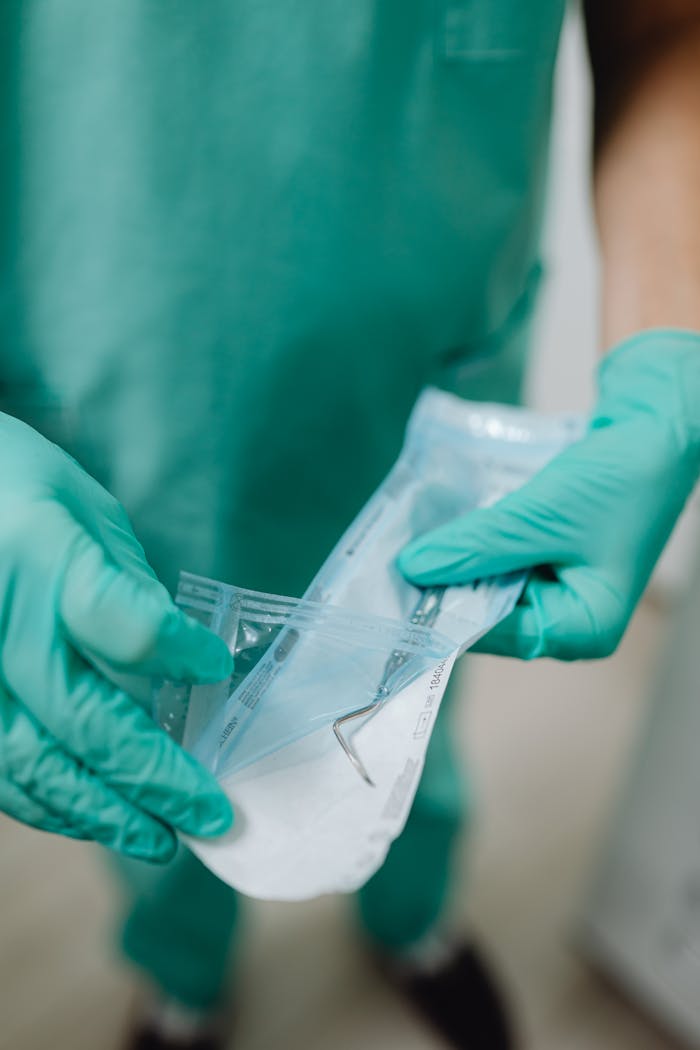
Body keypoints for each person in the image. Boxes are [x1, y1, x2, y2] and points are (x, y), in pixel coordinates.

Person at [1, 2, 699, 1048]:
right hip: (106, 394)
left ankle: (412, 915)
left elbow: (660, 26)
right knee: (141, 738)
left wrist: (668, 355)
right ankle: (184, 976)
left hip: (418, 384)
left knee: (405, 715)